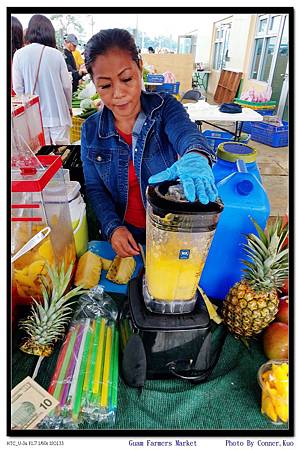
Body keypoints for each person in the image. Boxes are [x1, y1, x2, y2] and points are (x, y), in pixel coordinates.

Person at [81, 29, 217, 258]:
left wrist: (195, 156)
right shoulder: (91, 130)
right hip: (126, 232)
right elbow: (95, 188)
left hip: (169, 226)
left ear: (140, 67)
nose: (118, 93)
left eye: (126, 79)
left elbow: (186, 134)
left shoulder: (164, 108)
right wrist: (113, 227)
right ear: (95, 85)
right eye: (105, 86)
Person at [13, 14, 73, 145]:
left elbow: (18, 88)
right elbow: (67, 86)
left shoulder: (19, 55)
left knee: (43, 159)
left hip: (35, 119)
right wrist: (68, 107)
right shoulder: (56, 54)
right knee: (63, 154)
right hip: (59, 114)